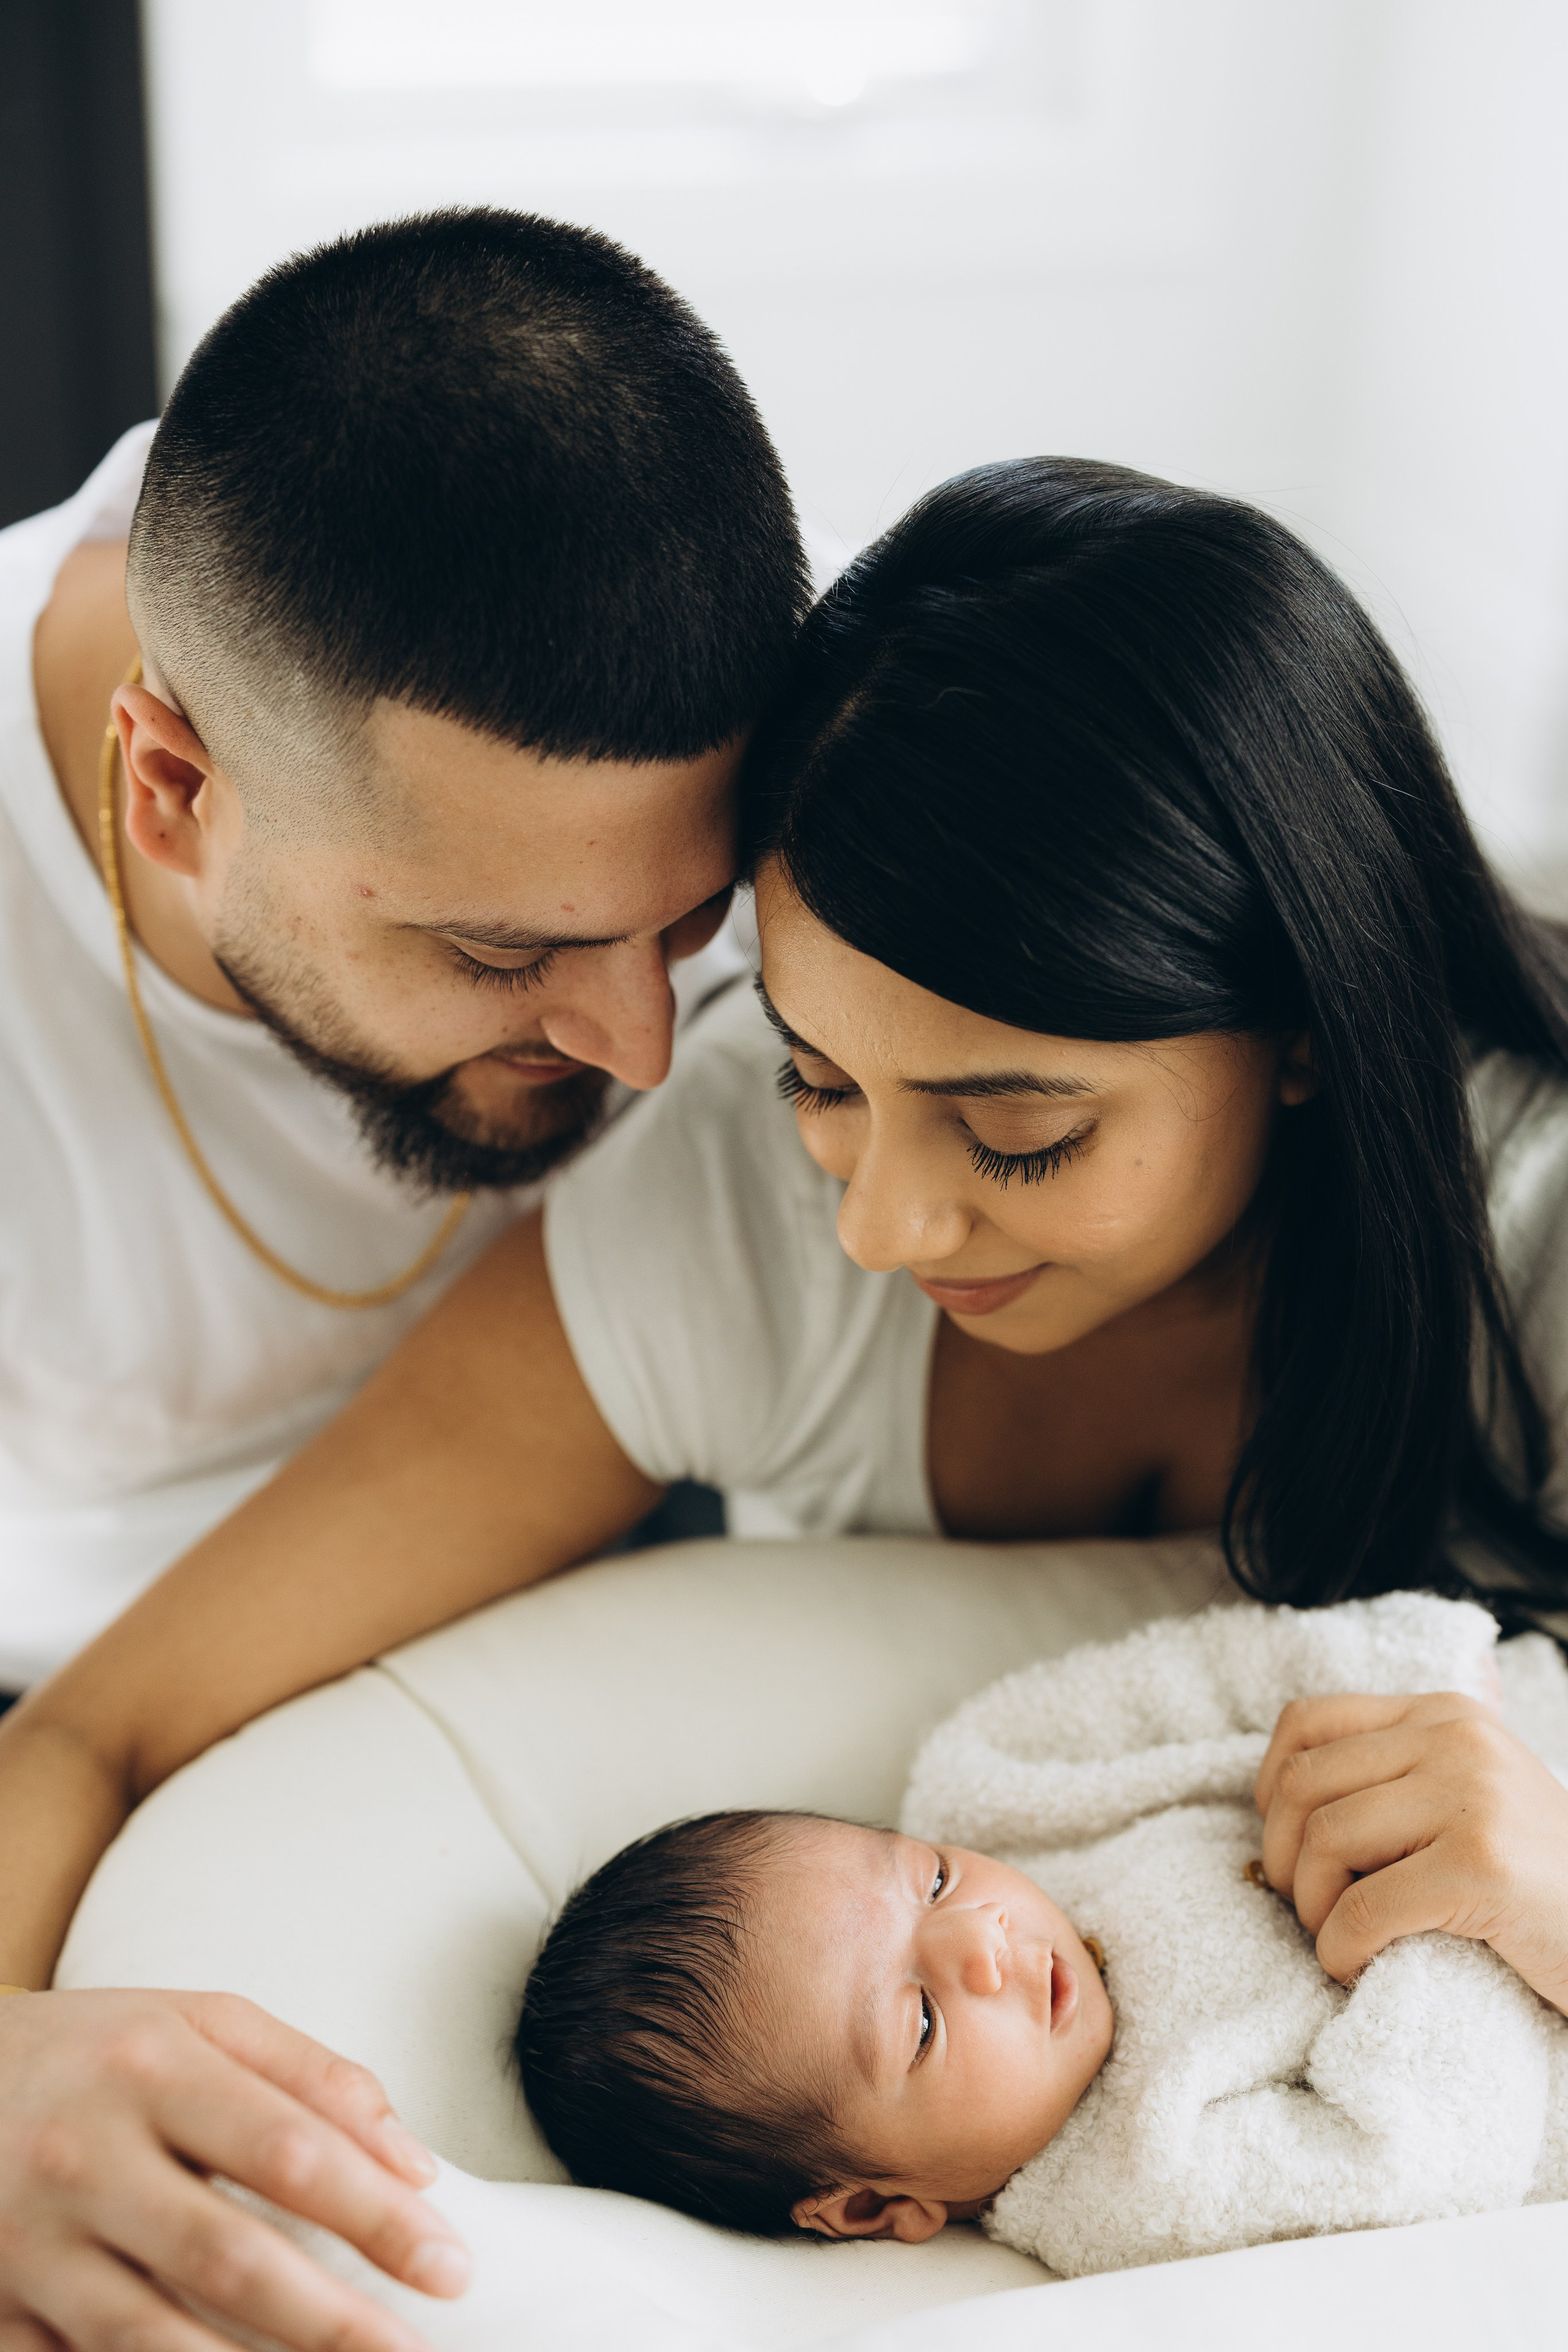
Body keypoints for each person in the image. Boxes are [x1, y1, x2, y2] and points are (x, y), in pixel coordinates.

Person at [9, 456, 1568, 2343]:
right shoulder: (738, 1223)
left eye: (1018, 1133)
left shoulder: (1536, 1234)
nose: (884, 1219)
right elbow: (105, 1727)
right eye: (819, 1075)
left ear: (1306, 1034)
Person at [4, 203, 804, 1690]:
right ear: (172, 792)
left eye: (689, 922)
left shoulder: (746, 709)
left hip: (631, 1533)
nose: (642, 1049)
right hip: (88, 1677)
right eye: (503, 957)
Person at [514, 1594, 1568, 2269]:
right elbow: (1426, 2153)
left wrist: (1405, 1679)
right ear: (879, 2206)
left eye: (928, 1880)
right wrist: (1433, 1919)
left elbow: (1189, 1676)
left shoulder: (995, 1785)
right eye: (921, 2022)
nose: (979, 1938)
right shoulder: (1135, 2184)